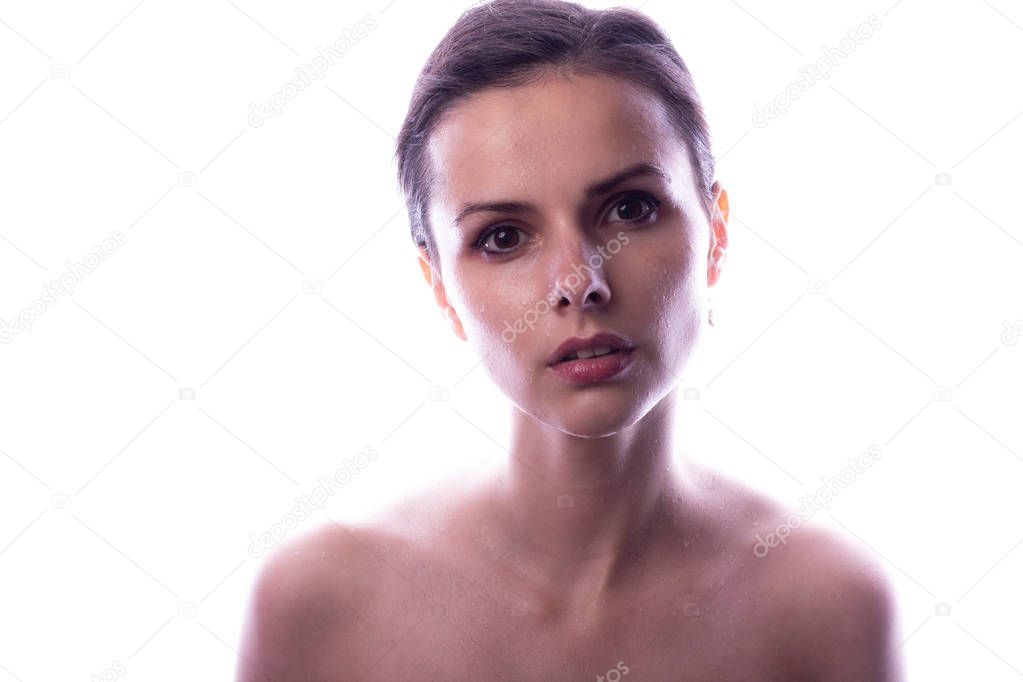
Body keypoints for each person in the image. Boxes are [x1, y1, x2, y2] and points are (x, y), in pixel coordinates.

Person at [235, 1, 903, 679]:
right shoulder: (319, 605)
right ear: (437, 283)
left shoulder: (825, 607)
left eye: (630, 208)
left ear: (716, 230)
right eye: (502, 237)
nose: (579, 282)